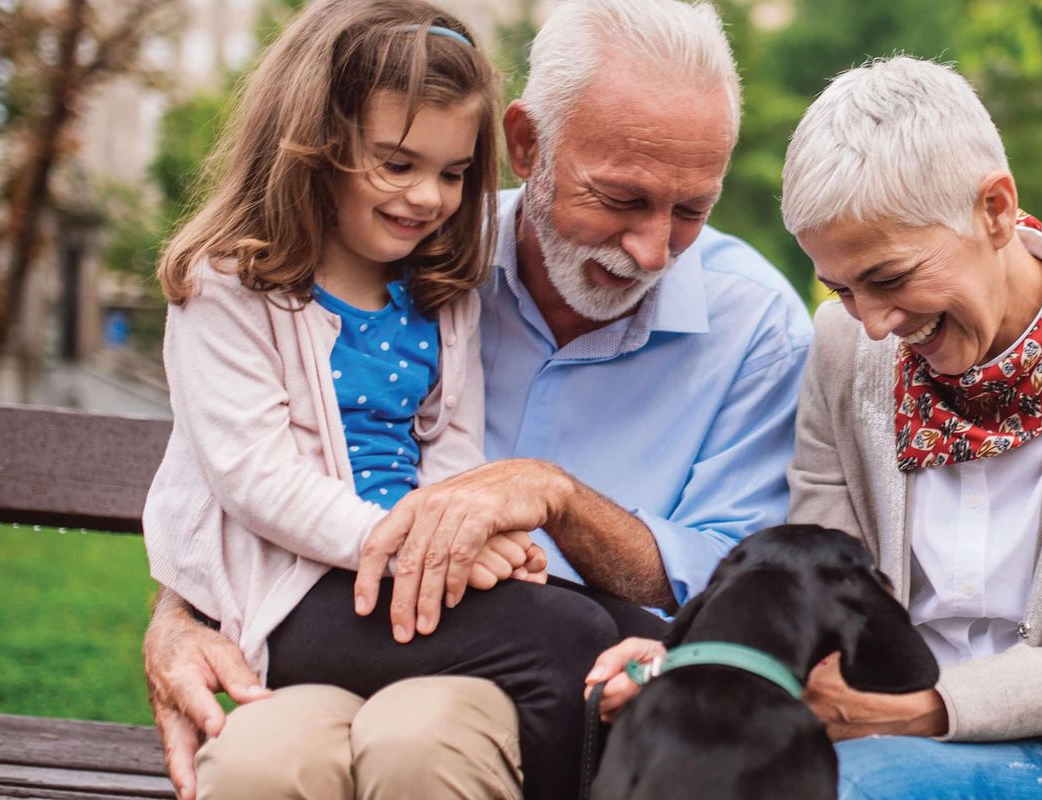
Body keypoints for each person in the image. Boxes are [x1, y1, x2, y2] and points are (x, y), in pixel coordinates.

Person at [141, 1, 812, 798]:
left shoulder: (758, 329)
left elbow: (735, 582)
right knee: (263, 763)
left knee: (421, 740)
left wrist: (542, 507)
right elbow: (235, 470)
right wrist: (179, 616)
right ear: (527, 145)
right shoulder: (429, 258)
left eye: (691, 210)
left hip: (521, 649)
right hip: (356, 596)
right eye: (621, 198)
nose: (653, 249)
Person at [589, 57, 1042, 800]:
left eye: (891, 279)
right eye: (841, 289)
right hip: (861, 717)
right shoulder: (840, 346)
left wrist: (911, 714)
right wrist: (704, 659)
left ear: (995, 208)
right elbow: (817, 574)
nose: (871, 324)